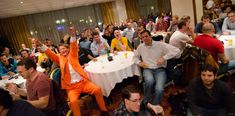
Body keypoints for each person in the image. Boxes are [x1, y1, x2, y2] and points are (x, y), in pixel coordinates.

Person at [36, 27, 108, 116]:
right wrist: (39, 44)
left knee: (98, 90)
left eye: (64, 48)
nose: (62, 50)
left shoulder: (73, 54)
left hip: (83, 82)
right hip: (71, 87)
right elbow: (49, 53)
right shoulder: (59, 58)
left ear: (68, 49)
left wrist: (73, 34)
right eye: (60, 49)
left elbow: (73, 45)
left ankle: (104, 110)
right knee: (73, 102)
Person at [133, 30, 180, 105]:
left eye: (146, 36)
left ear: (150, 36)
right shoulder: (140, 47)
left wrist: (164, 58)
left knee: (159, 89)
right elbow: (134, 57)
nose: (145, 38)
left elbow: (176, 51)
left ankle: (154, 104)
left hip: (160, 70)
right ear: (141, 39)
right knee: (149, 81)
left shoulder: (160, 45)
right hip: (147, 69)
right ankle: (146, 100)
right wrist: (139, 62)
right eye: (142, 37)